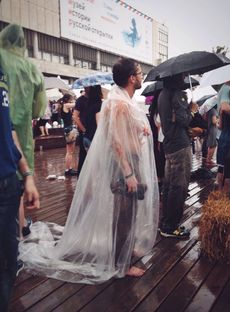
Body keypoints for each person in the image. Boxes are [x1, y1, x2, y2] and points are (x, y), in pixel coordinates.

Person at [19, 57, 159, 282]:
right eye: (140, 72)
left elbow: (123, 132)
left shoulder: (122, 101)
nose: (142, 76)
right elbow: (114, 139)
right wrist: (128, 172)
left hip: (129, 163)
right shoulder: (119, 103)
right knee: (123, 214)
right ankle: (120, 265)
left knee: (129, 211)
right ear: (132, 78)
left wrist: (139, 130)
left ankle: (125, 250)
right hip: (123, 166)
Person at [0, 24, 46, 237]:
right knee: (17, 193)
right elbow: (39, 109)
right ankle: (16, 246)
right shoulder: (32, 69)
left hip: (3, 134)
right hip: (23, 140)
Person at [0, 68, 40, 312]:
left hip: (7, 183)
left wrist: (26, 173)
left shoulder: (3, 73)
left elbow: (8, 129)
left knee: (8, 264)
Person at [158, 75, 192, 238]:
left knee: (169, 185)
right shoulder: (177, 94)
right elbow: (184, 120)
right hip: (180, 145)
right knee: (179, 186)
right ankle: (171, 226)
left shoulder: (162, 94)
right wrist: (191, 111)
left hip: (169, 144)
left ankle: (165, 222)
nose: (184, 78)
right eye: (183, 75)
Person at [59, 94, 78, 176]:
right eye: (71, 98)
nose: (72, 100)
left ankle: (69, 168)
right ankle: (67, 170)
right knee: (69, 152)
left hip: (68, 129)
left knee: (70, 151)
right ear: (68, 99)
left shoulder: (65, 106)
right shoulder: (66, 105)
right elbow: (77, 104)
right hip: (69, 130)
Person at [73, 88, 89, 176]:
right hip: (85, 133)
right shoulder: (80, 100)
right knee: (83, 156)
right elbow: (75, 116)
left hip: (94, 131)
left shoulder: (95, 99)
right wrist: (83, 129)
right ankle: (81, 177)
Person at [81, 85, 103, 152]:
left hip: (86, 138)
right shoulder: (99, 105)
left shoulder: (87, 104)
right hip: (94, 139)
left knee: (90, 162)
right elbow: (99, 125)